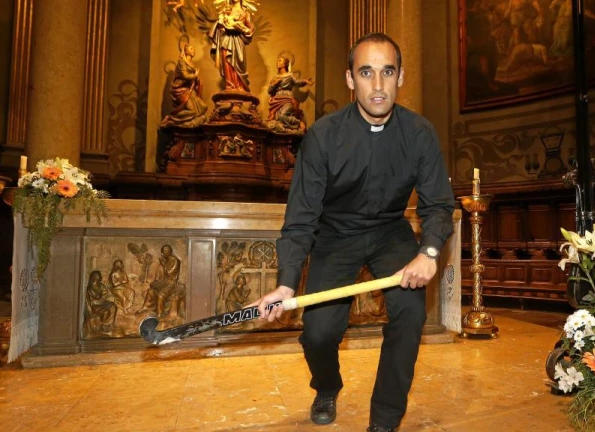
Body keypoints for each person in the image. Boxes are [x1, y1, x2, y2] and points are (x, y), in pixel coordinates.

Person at [249, 33, 455, 432]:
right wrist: (286, 284)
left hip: (390, 232)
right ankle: (327, 386)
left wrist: (429, 252)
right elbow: (301, 217)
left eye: (387, 72)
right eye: (366, 73)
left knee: (410, 313)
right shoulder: (322, 136)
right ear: (350, 79)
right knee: (319, 333)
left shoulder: (420, 133)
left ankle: (385, 421)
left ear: (400, 77)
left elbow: (438, 205)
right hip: (336, 235)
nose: (377, 85)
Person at [208, 0, 256, 92]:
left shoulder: (245, 12)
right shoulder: (225, 10)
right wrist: (220, 27)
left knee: (240, 61)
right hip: (226, 39)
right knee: (227, 62)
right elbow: (220, 25)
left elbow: (249, 28)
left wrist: (247, 30)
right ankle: (230, 85)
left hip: (238, 40)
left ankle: (240, 86)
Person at [160, 44, 208, 128]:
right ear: (185, 51)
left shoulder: (191, 64)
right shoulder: (181, 62)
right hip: (180, 90)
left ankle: (193, 121)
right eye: (191, 48)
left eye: (194, 48)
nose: (193, 50)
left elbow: (192, 78)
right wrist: (195, 75)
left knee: (204, 107)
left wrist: (197, 80)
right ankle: (171, 118)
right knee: (192, 111)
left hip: (189, 90)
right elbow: (184, 75)